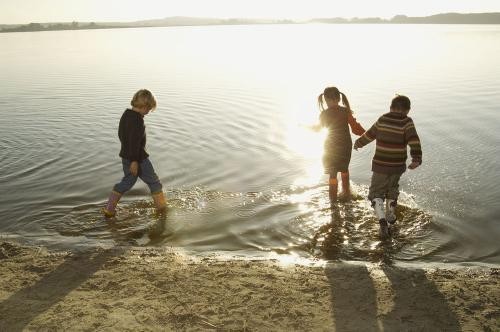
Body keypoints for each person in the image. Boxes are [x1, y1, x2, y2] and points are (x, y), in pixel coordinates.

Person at [354, 94, 422, 238]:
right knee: (392, 189)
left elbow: (370, 134)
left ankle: (382, 221)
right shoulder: (407, 121)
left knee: (375, 193)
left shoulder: (383, 119)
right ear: (408, 110)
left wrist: (358, 143)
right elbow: (414, 140)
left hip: (380, 164)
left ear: (390, 108)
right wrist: (416, 159)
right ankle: (390, 212)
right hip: (397, 165)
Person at [102, 89, 167, 218]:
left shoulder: (126, 115)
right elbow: (134, 142)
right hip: (137, 158)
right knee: (154, 183)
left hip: (126, 156)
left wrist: (129, 157)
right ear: (144, 106)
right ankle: (162, 210)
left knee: (127, 182)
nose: (148, 112)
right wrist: (134, 161)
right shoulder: (137, 121)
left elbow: (122, 136)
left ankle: (109, 209)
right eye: (148, 109)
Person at [314, 86, 365, 202]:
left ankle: (333, 201)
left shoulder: (324, 114)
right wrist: (367, 134)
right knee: (344, 169)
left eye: (327, 101)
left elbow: (317, 129)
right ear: (339, 99)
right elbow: (355, 128)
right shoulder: (345, 111)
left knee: (332, 174)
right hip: (345, 146)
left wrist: (305, 127)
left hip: (330, 148)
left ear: (326, 100)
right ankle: (346, 193)